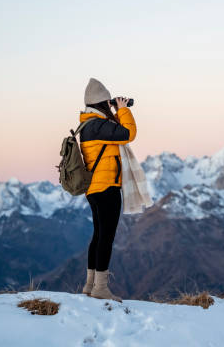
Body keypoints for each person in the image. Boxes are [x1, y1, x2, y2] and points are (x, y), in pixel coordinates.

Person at [78, 77, 136, 302]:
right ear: (102, 103)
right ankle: (100, 288)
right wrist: (122, 110)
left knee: (98, 235)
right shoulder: (98, 125)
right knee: (106, 237)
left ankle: (90, 285)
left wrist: (114, 111)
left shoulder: (89, 124)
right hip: (107, 187)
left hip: (94, 189)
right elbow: (128, 133)